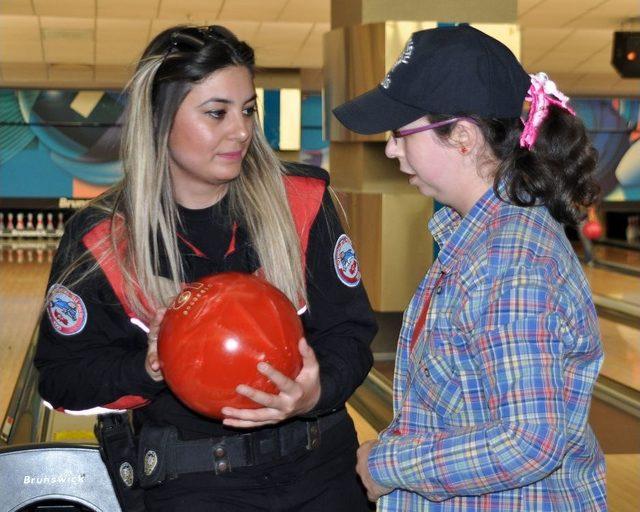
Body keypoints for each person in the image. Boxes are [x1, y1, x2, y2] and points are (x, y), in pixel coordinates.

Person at [35, 25, 377, 511]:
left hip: (323, 472)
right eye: (216, 113)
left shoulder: (302, 202)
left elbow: (350, 333)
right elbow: (61, 378)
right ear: (159, 119)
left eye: (247, 110)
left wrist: (315, 391)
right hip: (194, 485)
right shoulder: (103, 238)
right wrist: (148, 367)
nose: (240, 130)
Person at [333, 24, 606, 511]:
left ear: (461, 136)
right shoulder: (480, 241)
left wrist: (388, 465)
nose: (392, 149)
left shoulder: (510, 260)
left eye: (401, 133)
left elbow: (529, 441)